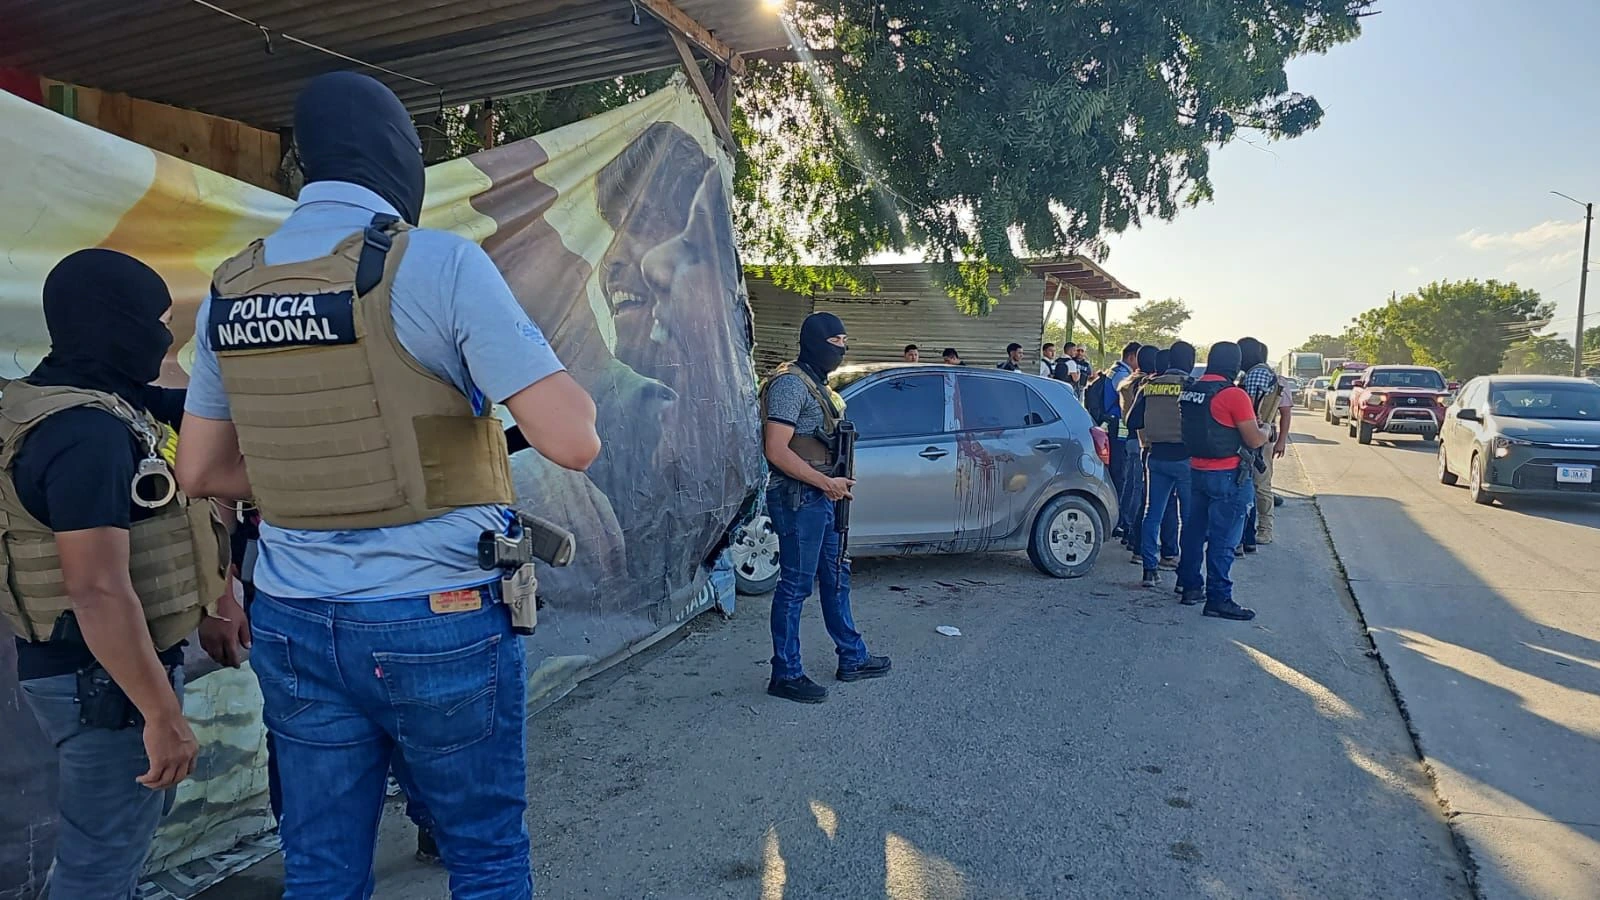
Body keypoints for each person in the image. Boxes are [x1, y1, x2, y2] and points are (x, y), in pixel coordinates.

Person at [176, 72, 600, 898]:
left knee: (323, 871)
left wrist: (318, 470)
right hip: (436, 615)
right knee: (482, 858)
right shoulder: (439, 263)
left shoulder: (231, 286)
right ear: (398, 156)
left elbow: (199, 471)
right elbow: (572, 440)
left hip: (294, 622)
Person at [0, 249, 234, 899]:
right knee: (100, 863)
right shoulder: (85, 434)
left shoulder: (54, 396)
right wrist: (160, 714)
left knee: (118, 835)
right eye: (153, 322)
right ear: (113, 321)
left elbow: (174, 404)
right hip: (104, 682)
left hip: (86, 674)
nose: (164, 338)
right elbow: (96, 588)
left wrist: (218, 599)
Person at [758, 312, 891, 703]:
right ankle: (786, 673)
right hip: (799, 497)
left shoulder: (818, 385)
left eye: (844, 341)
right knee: (795, 586)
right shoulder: (789, 385)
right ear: (815, 341)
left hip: (823, 495)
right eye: (836, 341)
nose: (842, 348)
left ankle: (852, 656)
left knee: (836, 577)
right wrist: (824, 482)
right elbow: (775, 450)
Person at [1176, 342, 1268, 620]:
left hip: (1196, 470)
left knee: (1193, 531)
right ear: (1235, 364)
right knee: (1223, 540)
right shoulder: (1234, 395)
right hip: (1228, 475)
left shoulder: (1190, 389)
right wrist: (1266, 430)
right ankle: (1219, 598)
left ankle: (1189, 585)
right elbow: (1252, 438)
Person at [1127, 343, 1193, 587]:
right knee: (1188, 518)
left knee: (1152, 513)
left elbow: (1132, 420)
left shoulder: (1148, 386)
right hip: (1186, 459)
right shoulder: (1190, 386)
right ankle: (1184, 576)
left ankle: (1149, 571)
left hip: (1156, 457)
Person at [1237, 338, 1288, 550]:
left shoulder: (1256, 373)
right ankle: (1261, 530)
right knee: (1260, 484)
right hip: (1263, 434)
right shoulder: (1265, 372)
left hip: (1257, 436)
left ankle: (1264, 530)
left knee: (1259, 484)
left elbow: (1248, 405)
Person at [1116, 345, 1158, 553]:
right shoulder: (1144, 383)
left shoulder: (1127, 381)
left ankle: (1125, 525)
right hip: (1143, 439)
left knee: (1130, 485)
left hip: (1130, 437)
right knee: (1140, 489)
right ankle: (1133, 531)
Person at [1104, 342, 1141, 537]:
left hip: (1117, 424)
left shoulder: (1114, 370)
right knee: (1121, 472)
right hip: (1119, 425)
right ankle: (1117, 519)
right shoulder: (1122, 374)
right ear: (1131, 357)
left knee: (1121, 471)